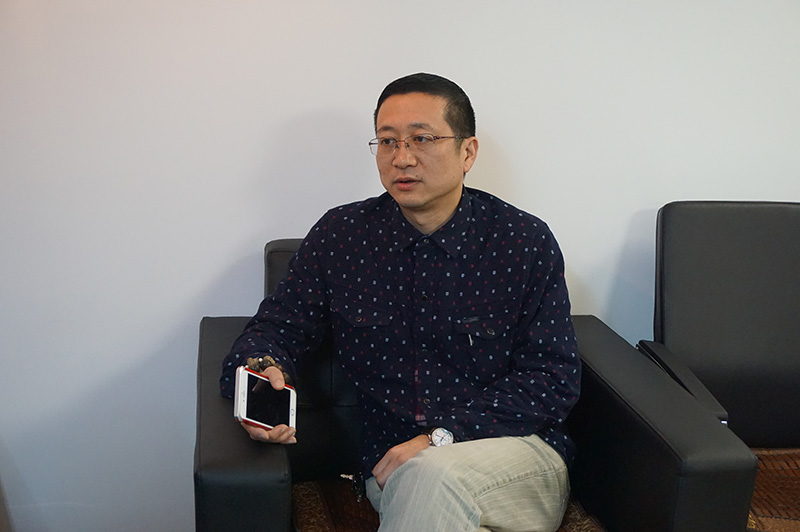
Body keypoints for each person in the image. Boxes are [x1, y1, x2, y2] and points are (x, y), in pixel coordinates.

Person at [220, 72, 581, 532]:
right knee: (423, 483)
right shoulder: (341, 238)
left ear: (467, 152)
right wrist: (262, 369)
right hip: (394, 467)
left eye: (422, 139)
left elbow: (552, 378)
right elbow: (276, 328)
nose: (402, 158)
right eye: (387, 141)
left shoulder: (522, 241)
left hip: (515, 455)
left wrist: (442, 437)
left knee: (430, 475)